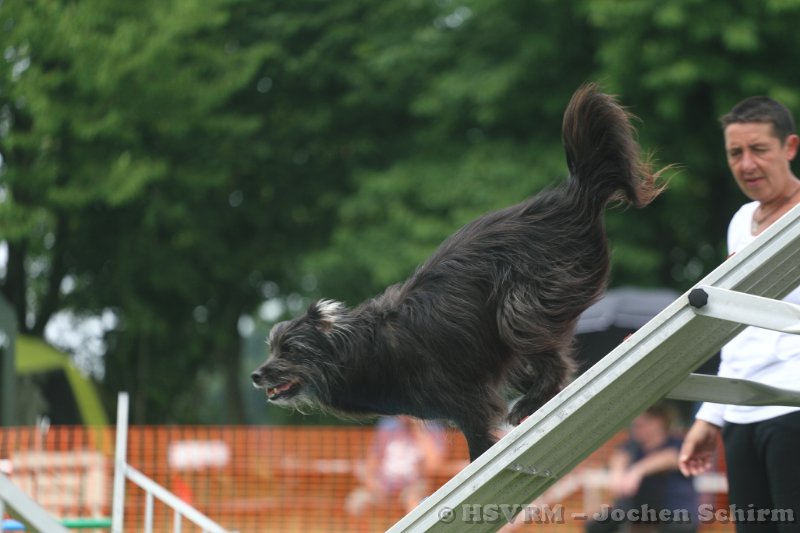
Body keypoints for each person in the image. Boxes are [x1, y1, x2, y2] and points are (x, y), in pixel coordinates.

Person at [679, 95, 800, 531]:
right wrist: (710, 415)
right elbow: (736, 327)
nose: (747, 164)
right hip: (741, 413)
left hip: (794, 406)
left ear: (790, 147)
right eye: (736, 152)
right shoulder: (740, 220)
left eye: (759, 149)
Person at [586, 403, 698, 533]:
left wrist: (637, 471)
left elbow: (670, 458)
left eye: (641, 425)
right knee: (597, 526)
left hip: (674, 514)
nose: (635, 428)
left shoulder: (677, 444)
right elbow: (621, 455)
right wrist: (618, 473)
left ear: (658, 422)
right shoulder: (633, 447)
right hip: (634, 513)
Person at [345, 415, 446, 516]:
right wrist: (372, 483)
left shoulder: (430, 427)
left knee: (414, 503)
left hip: (413, 485)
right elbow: (373, 460)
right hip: (383, 484)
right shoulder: (387, 425)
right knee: (356, 503)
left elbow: (434, 464)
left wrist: (417, 429)